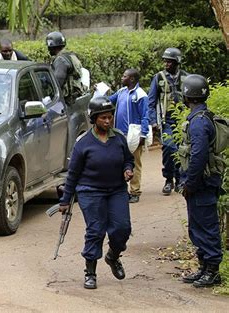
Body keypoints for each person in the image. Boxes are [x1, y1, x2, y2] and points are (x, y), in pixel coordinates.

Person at [59, 95, 134, 290]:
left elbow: (128, 159)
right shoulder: (83, 143)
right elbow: (73, 173)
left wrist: (128, 169)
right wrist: (65, 200)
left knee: (122, 228)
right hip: (90, 191)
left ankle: (113, 256)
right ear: (94, 118)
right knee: (96, 231)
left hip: (117, 189)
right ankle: (90, 272)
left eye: (110, 117)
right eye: (103, 118)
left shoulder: (118, 138)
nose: (107, 121)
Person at [178, 74, 222, 288]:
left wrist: (190, 184)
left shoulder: (198, 123)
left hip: (202, 184)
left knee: (206, 226)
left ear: (187, 95)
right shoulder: (202, 117)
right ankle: (205, 267)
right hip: (202, 183)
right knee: (198, 226)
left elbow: (198, 156)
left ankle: (212, 270)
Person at [148, 48, 188, 196]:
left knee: (181, 150)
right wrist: (153, 121)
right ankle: (168, 179)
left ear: (177, 62)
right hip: (167, 121)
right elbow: (151, 102)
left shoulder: (186, 77)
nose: (166, 63)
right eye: (165, 61)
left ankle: (179, 180)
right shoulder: (158, 78)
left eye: (169, 61)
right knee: (168, 148)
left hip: (183, 120)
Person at [109, 69, 149, 203]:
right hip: (119, 134)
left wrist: (143, 134)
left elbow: (145, 116)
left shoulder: (140, 95)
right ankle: (122, 190)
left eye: (124, 76)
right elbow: (109, 101)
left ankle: (135, 191)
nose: (122, 77)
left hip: (133, 135)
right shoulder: (121, 92)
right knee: (119, 162)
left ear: (132, 79)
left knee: (134, 162)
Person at [45, 31, 84, 106]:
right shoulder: (71, 55)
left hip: (67, 102)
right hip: (75, 97)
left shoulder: (60, 60)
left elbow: (57, 83)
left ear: (51, 46)